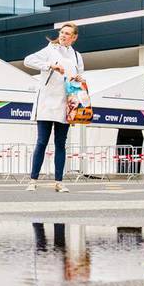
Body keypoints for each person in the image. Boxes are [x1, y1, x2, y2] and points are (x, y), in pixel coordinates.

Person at [24, 22, 88, 192]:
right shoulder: (49, 49)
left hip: (65, 103)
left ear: (74, 37)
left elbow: (79, 75)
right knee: (42, 142)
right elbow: (28, 61)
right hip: (46, 102)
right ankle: (32, 180)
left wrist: (79, 79)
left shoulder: (76, 55)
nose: (63, 35)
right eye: (62, 32)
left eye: (67, 33)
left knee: (61, 143)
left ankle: (59, 181)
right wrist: (50, 66)